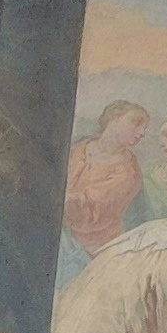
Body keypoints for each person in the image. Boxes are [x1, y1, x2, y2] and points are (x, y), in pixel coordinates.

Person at [66, 100, 152, 254]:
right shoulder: (76, 149)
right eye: (136, 122)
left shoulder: (128, 173)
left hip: (92, 250)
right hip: (63, 237)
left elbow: (89, 209)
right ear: (115, 117)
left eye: (144, 129)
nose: (141, 133)